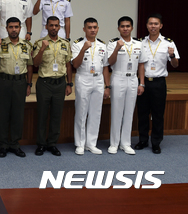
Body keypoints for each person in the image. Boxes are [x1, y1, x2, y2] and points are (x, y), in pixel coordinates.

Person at [135, 13, 179, 154]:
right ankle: (142, 140)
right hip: (143, 82)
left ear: (161, 25)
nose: (153, 26)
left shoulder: (168, 43)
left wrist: (172, 55)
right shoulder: (140, 42)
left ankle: (156, 142)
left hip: (159, 83)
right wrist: (141, 83)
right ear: (147, 26)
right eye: (150, 24)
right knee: (142, 113)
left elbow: (175, 65)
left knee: (158, 114)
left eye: (156, 24)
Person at [104, 16, 147, 155]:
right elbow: (110, 62)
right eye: (122, 26)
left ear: (132, 28)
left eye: (128, 26)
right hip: (118, 77)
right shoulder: (112, 43)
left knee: (129, 112)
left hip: (133, 79)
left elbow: (141, 65)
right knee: (117, 112)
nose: (125, 28)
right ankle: (114, 143)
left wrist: (142, 83)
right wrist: (117, 48)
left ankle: (126, 143)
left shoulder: (139, 44)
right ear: (118, 28)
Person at [0, 17, 33, 158]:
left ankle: (15, 144)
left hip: (20, 82)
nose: (14, 29)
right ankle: (3, 145)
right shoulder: (0, 43)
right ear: (6, 28)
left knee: (18, 114)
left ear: (20, 28)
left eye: (16, 27)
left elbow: (29, 65)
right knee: (2, 113)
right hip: (4, 81)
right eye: (11, 27)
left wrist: (29, 84)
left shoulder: (26, 45)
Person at [32, 16, 73, 157]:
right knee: (42, 115)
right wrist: (42, 49)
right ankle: (41, 144)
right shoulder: (39, 43)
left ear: (60, 27)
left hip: (60, 84)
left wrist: (69, 83)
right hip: (44, 83)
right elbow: (36, 63)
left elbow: (68, 64)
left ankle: (52, 144)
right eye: (51, 25)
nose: (54, 28)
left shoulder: (65, 43)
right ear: (46, 27)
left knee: (56, 115)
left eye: (56, 25)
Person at [71, 17, 108, 155]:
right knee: (81, 112)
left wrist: (107, 85)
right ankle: (80, 144)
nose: (93, 30)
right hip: (83, 78)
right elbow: (75, 65)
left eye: (95, 27)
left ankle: (91, 143)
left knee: (96, 112)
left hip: (98, 80)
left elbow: (105, 67)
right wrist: (84, 49)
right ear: (84, 29)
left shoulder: (102, 45)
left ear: (98, 28)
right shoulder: (77, 44)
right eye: (90, 27)